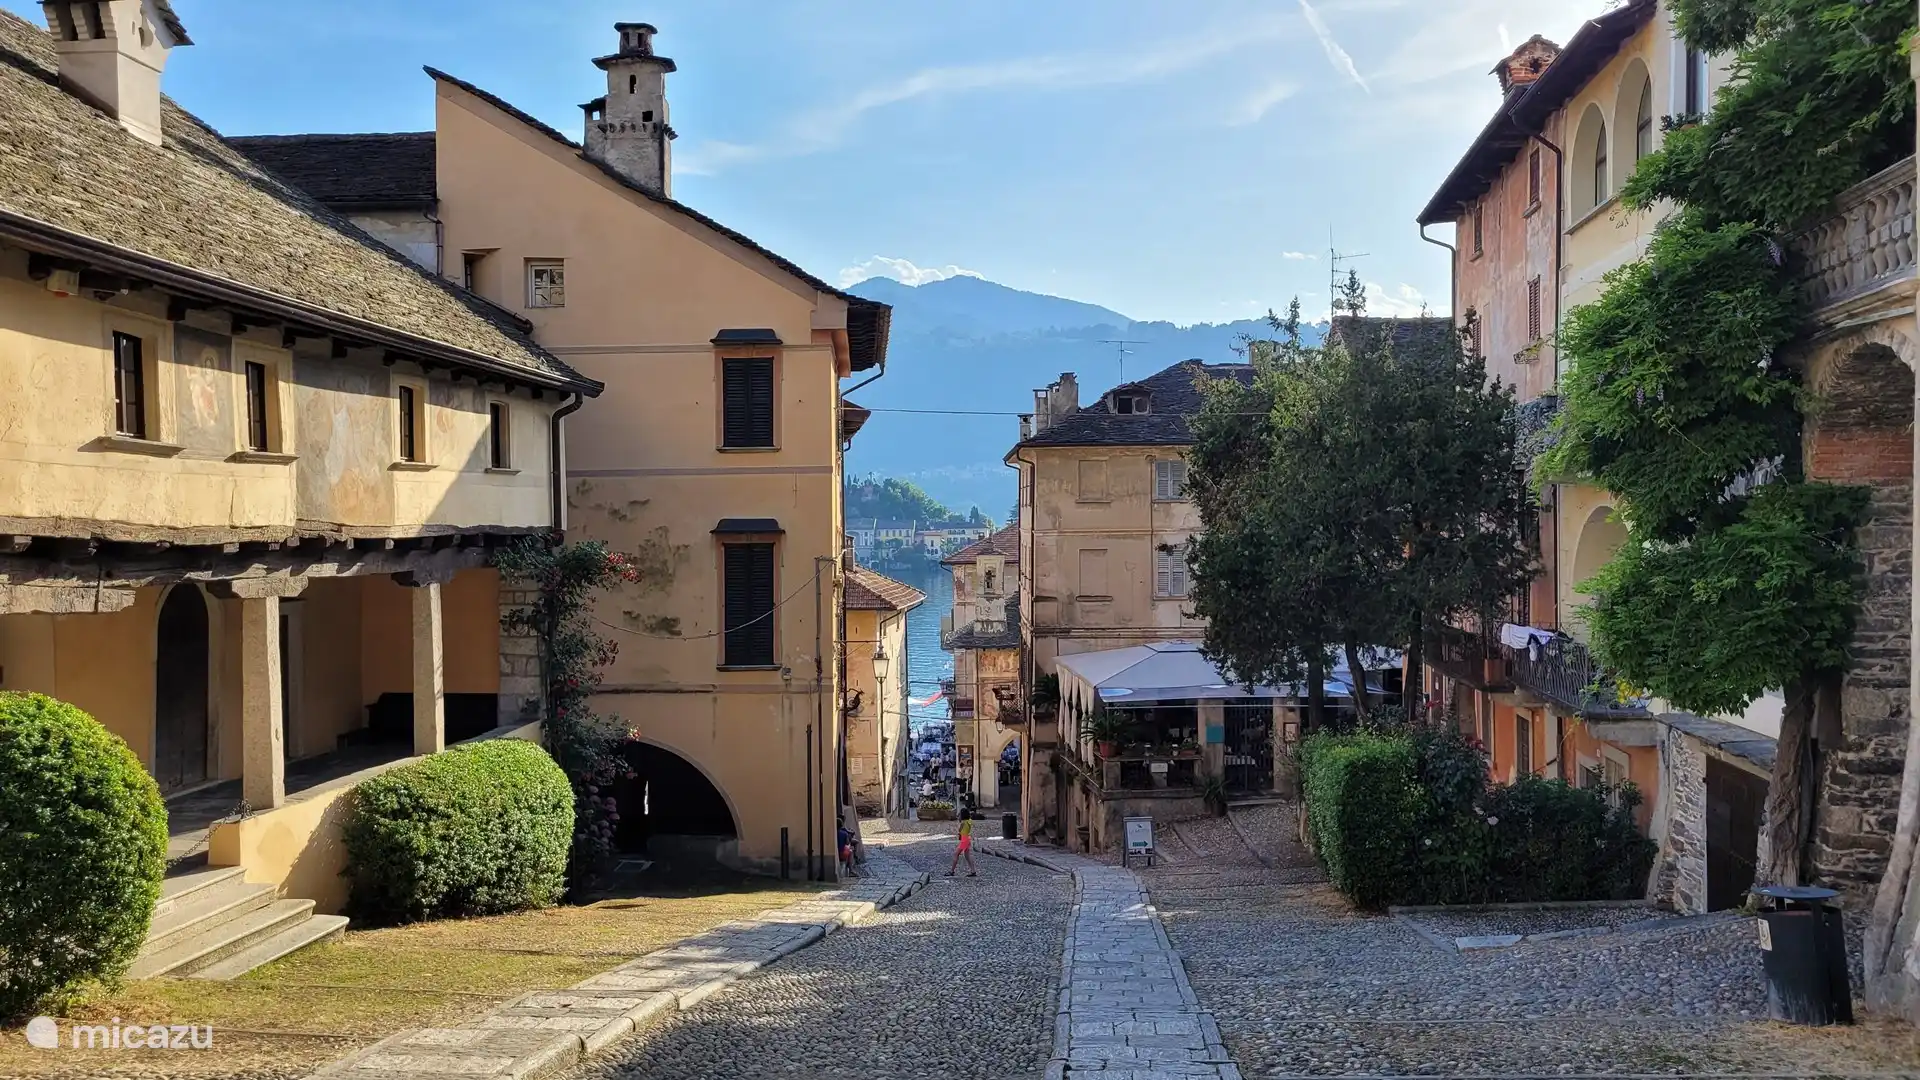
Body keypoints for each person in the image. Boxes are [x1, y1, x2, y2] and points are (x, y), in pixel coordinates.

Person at [946, 812, 977, 877]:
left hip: (964, 840)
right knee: (967, 856)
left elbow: (959, 830)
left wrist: (959, 821)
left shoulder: (963, 823)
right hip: (968, 839)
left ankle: (952, 871)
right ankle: (973, 871)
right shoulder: (969, 821)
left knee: (956, 854)